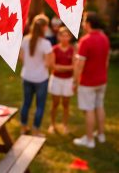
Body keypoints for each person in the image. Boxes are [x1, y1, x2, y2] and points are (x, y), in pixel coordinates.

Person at [73, 12, 110, 149]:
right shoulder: (104, 38)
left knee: (89, 110)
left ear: (88, 24)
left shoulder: (86, 40)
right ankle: (100, 135)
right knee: (99, 106)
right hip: (102, 80)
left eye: (83, 21)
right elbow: (106, 61)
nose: (82, 24)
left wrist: (75, 82)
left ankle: (89, 140)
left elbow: (79, 66)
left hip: (88, 82)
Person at [20, 14, 53, 136]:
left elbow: (21, 57)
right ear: (44, 27)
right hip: (41, 79)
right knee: (40, 106)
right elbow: (48, 63)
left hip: (27, 76)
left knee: (26, 103)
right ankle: (35, 130)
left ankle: (23, 128)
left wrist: (30, 65)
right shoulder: (46, 44)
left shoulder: (25, 39)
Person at [48, 27, 75, 134]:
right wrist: (65, 67)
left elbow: (73, 66)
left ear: (70, 37)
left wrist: (60, 67)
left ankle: (65, 125)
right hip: (56, 79)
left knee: (66, 104)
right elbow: (52, 66)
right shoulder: (54, 49)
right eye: (62, 35)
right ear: (58, 37)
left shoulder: (72, 50)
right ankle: (52, 124)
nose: (64, 38)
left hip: (68, 80)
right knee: (55, 103)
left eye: (66, 36)